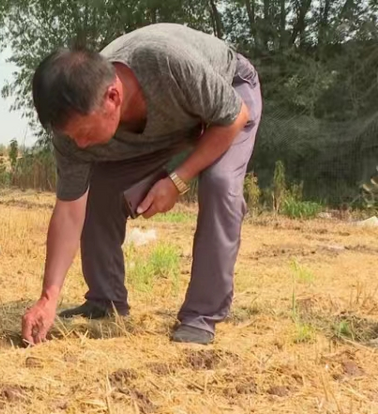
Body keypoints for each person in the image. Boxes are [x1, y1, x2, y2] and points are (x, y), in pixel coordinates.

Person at [21, 23, 262, 346]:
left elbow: (233, 117)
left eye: (85, 132)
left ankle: (202, 315)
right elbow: (68, 212)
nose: (79, 144)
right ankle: (105, 302)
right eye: (71, 136)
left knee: (219, 183)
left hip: (227, 96)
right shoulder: (71, 137)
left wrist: (178, 180)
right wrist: (49, 296)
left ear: (113, 96)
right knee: (101, 186)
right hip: (170, 124)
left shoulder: (166, 63)